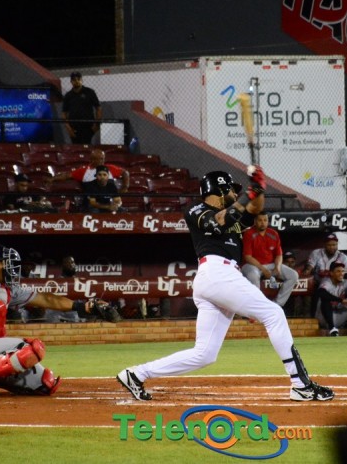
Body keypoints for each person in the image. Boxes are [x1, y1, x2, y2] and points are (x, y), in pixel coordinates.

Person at [117, 168, 334, 401]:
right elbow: (218, 222)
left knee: (204, 354)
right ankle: (300, 384)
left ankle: (136, 374)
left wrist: (259, 189)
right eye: (231, 189)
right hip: (216, 273)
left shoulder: (235, 214)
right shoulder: (196, 209)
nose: (234, 194)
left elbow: (254, 209)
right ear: (219, 190)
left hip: (220, 278)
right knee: (274, 313)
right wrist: (247, 195)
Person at [0, 242, 120, 398]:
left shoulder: (7, 289)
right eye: (4, 262)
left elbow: (46, 299)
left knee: (46, 384)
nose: (9, 267)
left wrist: (84, 306)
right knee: (30, 348)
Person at [241, 212, 300, 308]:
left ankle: (277, 304)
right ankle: (256, 306)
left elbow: (279, 255)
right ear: (255, 221)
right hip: (252, 265)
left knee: (293, 275)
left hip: (270, 264)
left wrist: (277, 267)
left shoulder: (273, 233)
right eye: (260, 220)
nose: (262, 223)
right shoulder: (249, 233)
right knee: (253, 276)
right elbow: (248, 257)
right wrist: (263, 270)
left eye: (265, 220)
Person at [301, 233, 347, 318]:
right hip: (318, 284)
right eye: (329, 245)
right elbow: (310, 266)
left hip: (335, 284)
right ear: (324, 245)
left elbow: (346, 274)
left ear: (337, 244)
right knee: (314, 293)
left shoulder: (342, 256)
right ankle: (312, 318)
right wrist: (307, 271)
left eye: (334, 245)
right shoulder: (316, 253)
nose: (331, 247)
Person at [52, 147, 130, 193]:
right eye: (98, 159)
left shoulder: (110, 168)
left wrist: (125, 187)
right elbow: (67, 175)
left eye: (102, 159)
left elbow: (125, 173)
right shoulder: (84, 171)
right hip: (93, 202)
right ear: (92, 160)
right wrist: (52, 179)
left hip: (109, 200)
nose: (101, 161)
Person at [316, 262, 347, 336]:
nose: (341, 273)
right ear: (331, 273)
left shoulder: (346, 282)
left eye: (343, 271)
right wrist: (341, 300)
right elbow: (321, 292)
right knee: (325, 299)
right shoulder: (327, 281)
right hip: (324, 318)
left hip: (339, 315)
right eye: (338, 271)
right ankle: (332, 329)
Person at [62, 71, 102, 144]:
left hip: (87, 127)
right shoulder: (68, 95)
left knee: (86, 147)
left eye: (78, 79)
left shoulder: (89, 92)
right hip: (73, 127)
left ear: (81, 80)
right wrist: (68, 128)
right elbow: (64, 113)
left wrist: (97, 124)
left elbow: (98, 108)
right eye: (74, 80)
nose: (76, 81)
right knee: (76, 148)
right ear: (71, 82)